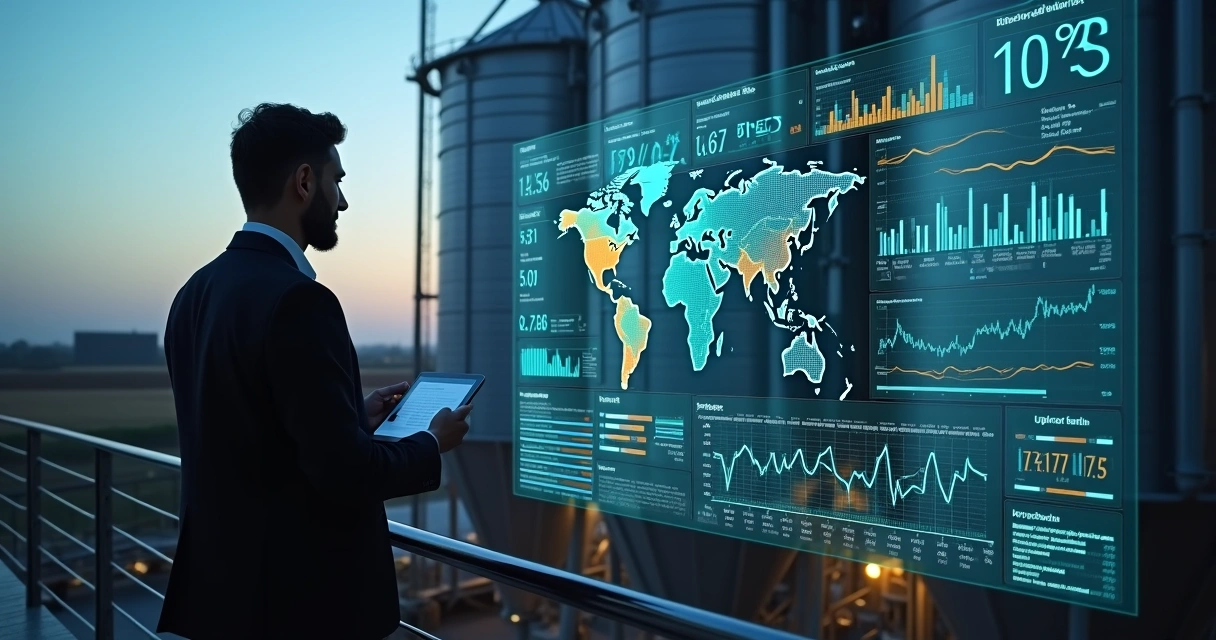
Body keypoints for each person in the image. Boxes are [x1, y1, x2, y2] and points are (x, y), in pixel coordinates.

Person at [157, 103, 472, 639]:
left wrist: (355, 417)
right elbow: (344, 475)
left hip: (223, 598)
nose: (343, 201)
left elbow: (256, 433)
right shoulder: (299, 300)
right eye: (337, 181)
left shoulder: (194, 292)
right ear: (304, 182)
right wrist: (429, 442)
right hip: (300, 607)